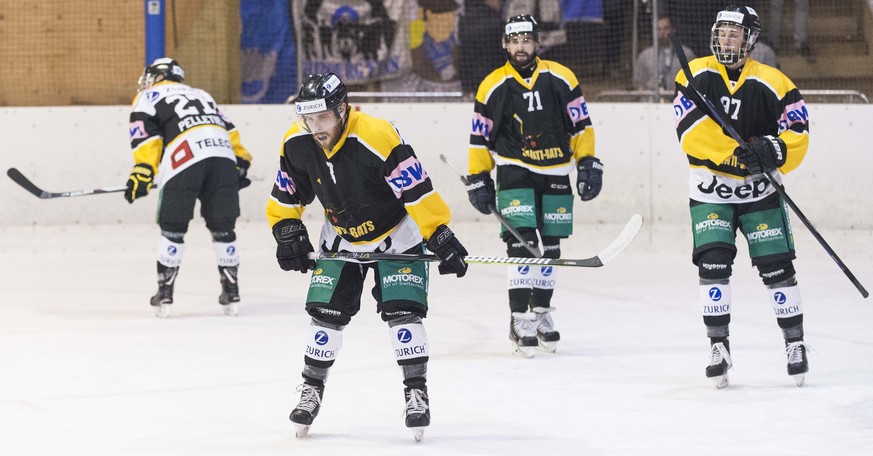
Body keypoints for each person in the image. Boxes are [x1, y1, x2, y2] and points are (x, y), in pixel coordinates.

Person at [267, 73, 468, 441]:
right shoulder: (296, 142)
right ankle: (311, 389)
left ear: (342, 109)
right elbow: (286, 195)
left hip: (397, 236)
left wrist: (438, 232)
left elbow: (416, 189)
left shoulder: (376, 135)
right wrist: (286, 229)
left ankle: (415, 392)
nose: (315, 128)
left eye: (323, 118)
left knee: (403, 314)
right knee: (326, 317)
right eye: (308, 119)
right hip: (341, 239)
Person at [672, 5, 810, 388]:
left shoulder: (776, 82)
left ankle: (795, 343)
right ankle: (719, 346)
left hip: (760, 192)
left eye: (734, 34)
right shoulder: (694, 74)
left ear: (750, 39)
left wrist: (773, 150)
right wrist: (737, 154)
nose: (726, 40)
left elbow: (798, 131)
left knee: (777, 268)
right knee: (713, 265)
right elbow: (688, 131)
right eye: (722, 33)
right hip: (710, 191)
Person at [464, 15, 603, 358]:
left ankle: (541, 313)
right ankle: (518, 318)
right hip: (513, 171)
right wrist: (479, 176)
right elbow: (479, 137)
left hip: (556, 170)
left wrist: (587, 161)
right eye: (514, 40)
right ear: (504, 44)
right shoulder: (492, 85)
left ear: (538, 42)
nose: (520, 46)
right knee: (523, 243)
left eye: (526, 39)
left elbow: (581, 124)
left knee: (551, 249)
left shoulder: (561, 77)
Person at [125, 57, 253, 318]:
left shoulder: (148, 97)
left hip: (184, 159)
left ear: (158, 76)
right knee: (224, 227)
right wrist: (240, 163)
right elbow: (228, 128)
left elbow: (146, 137)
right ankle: (231, 289)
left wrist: (143, 170)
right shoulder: (202, 94)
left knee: (173, 229)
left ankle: (165, 293)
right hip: (222, 157)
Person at [633, 16, 696, 94]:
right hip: (652, 101)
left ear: (673, 30)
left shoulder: (686, 54)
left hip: (679, 99)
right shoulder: (645, 56)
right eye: (658, 29)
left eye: (666, 28)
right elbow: (637, 82)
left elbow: (695, 81)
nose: (662, 32)